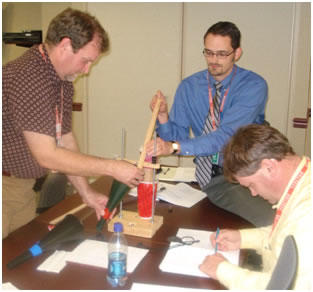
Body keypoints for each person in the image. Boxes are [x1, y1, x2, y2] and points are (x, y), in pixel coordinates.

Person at [2, 8, 144, 239]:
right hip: (4, 188)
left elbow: (65, 141)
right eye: (86, 61)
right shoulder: (29, 77)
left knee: (19, 259)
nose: (87, 70)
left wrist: (86, 192)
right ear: (66, 46)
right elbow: (47, 156)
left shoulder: (61, 81)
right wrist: (111, 167)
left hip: (22, 188)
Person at [146, 21, 275, 227]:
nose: (214, 60)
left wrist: (175, 147)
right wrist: (163, 117)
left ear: (237, 53)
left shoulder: (253, 86)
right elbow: (175, 139)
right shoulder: (189, 87)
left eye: (222, 54)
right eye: (209, 53)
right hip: (212, 176)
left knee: (273, 221)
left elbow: (226, 137)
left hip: (247, 172)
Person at [198, 124, 311, 290]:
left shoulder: (308, 213)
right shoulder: (302, 184)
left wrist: (223, 271)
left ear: (269, 167)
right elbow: (286, 237)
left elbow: (285, 287)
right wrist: (242, 238)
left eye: (251, 184)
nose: (253, 193)